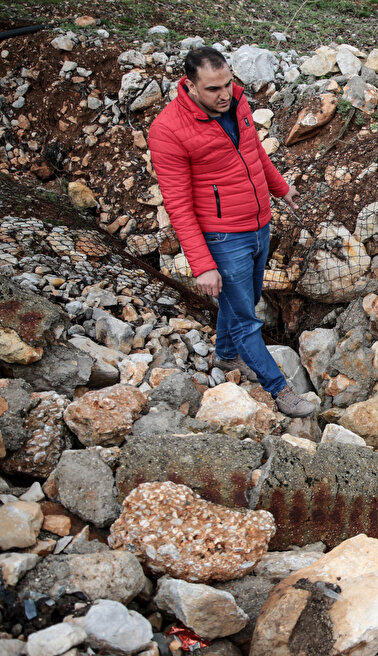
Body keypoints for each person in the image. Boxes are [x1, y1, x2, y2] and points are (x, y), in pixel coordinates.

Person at [148, 46, 315, 417]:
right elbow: (178, 205)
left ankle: (225, 356)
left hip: (258, 224)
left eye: (227, 83)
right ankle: (279, 389)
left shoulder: (237, 102)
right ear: (190, 85)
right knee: (245, 319)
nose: (224, 94)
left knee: (244, 301)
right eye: (213, 89)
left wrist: (280, 188)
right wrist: (203, 264)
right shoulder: (168, 130)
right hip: (223, 237)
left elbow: (253, 151)